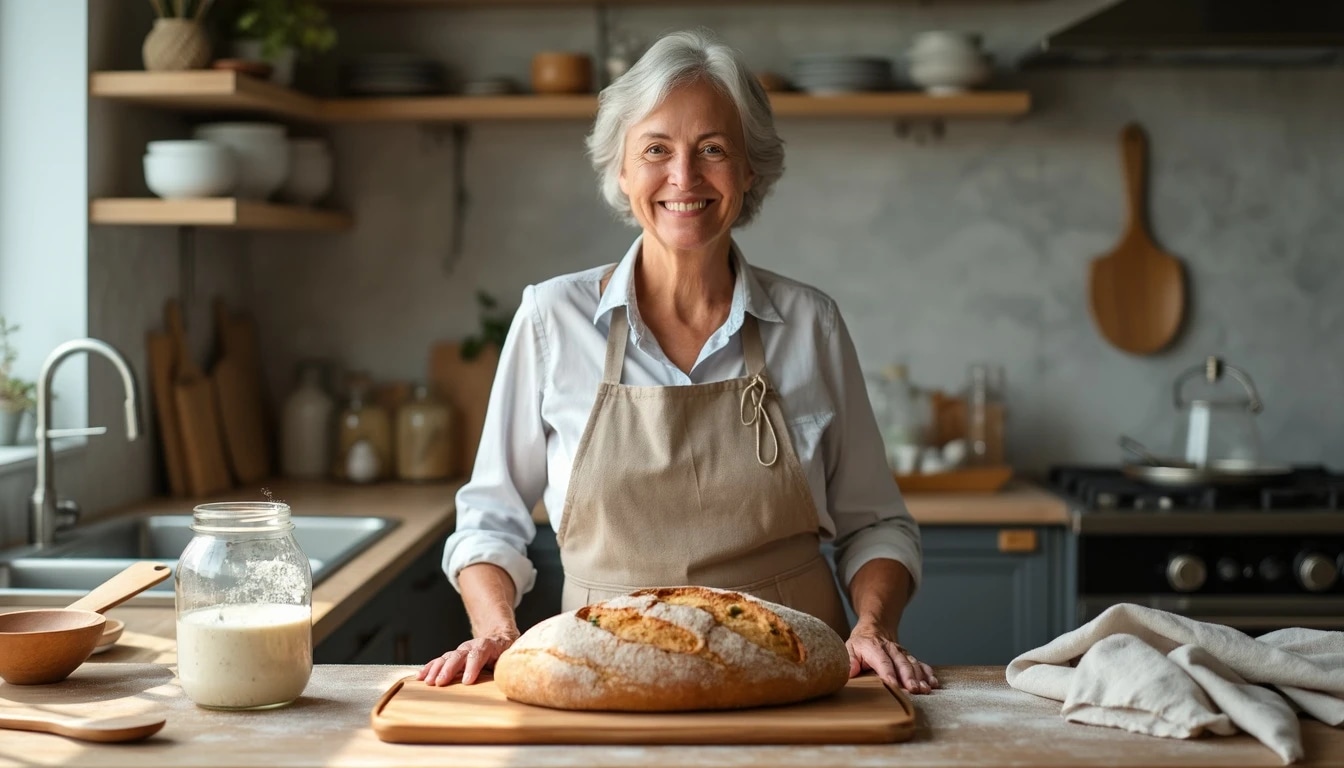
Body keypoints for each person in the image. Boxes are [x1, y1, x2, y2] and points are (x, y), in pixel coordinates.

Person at [418, 29, 937, 695]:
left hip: (794, 683)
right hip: (603, 675)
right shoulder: (553, 319)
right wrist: (496, 630)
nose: (684, 178)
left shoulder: (812, 324)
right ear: (622, 171)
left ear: (750, 169)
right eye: (656, 150)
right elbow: (490, 522)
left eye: (713, 150)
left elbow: (878, 526)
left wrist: (874, 626)